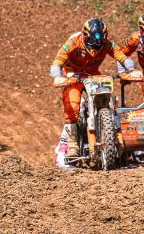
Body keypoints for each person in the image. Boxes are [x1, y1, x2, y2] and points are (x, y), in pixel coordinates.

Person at [50, 17, 136, 156]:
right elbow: (58, 60)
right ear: (84, 36)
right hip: (73, 76)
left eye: (99, 42)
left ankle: (112, 135)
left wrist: (130, 69)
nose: (95, 46)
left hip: (93, 74)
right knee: (72, 103)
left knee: (106, 101)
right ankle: (72, 144)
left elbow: (121, 56)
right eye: (92, 42)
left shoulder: (106, 43)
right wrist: (57, 76)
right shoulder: (73, 42)